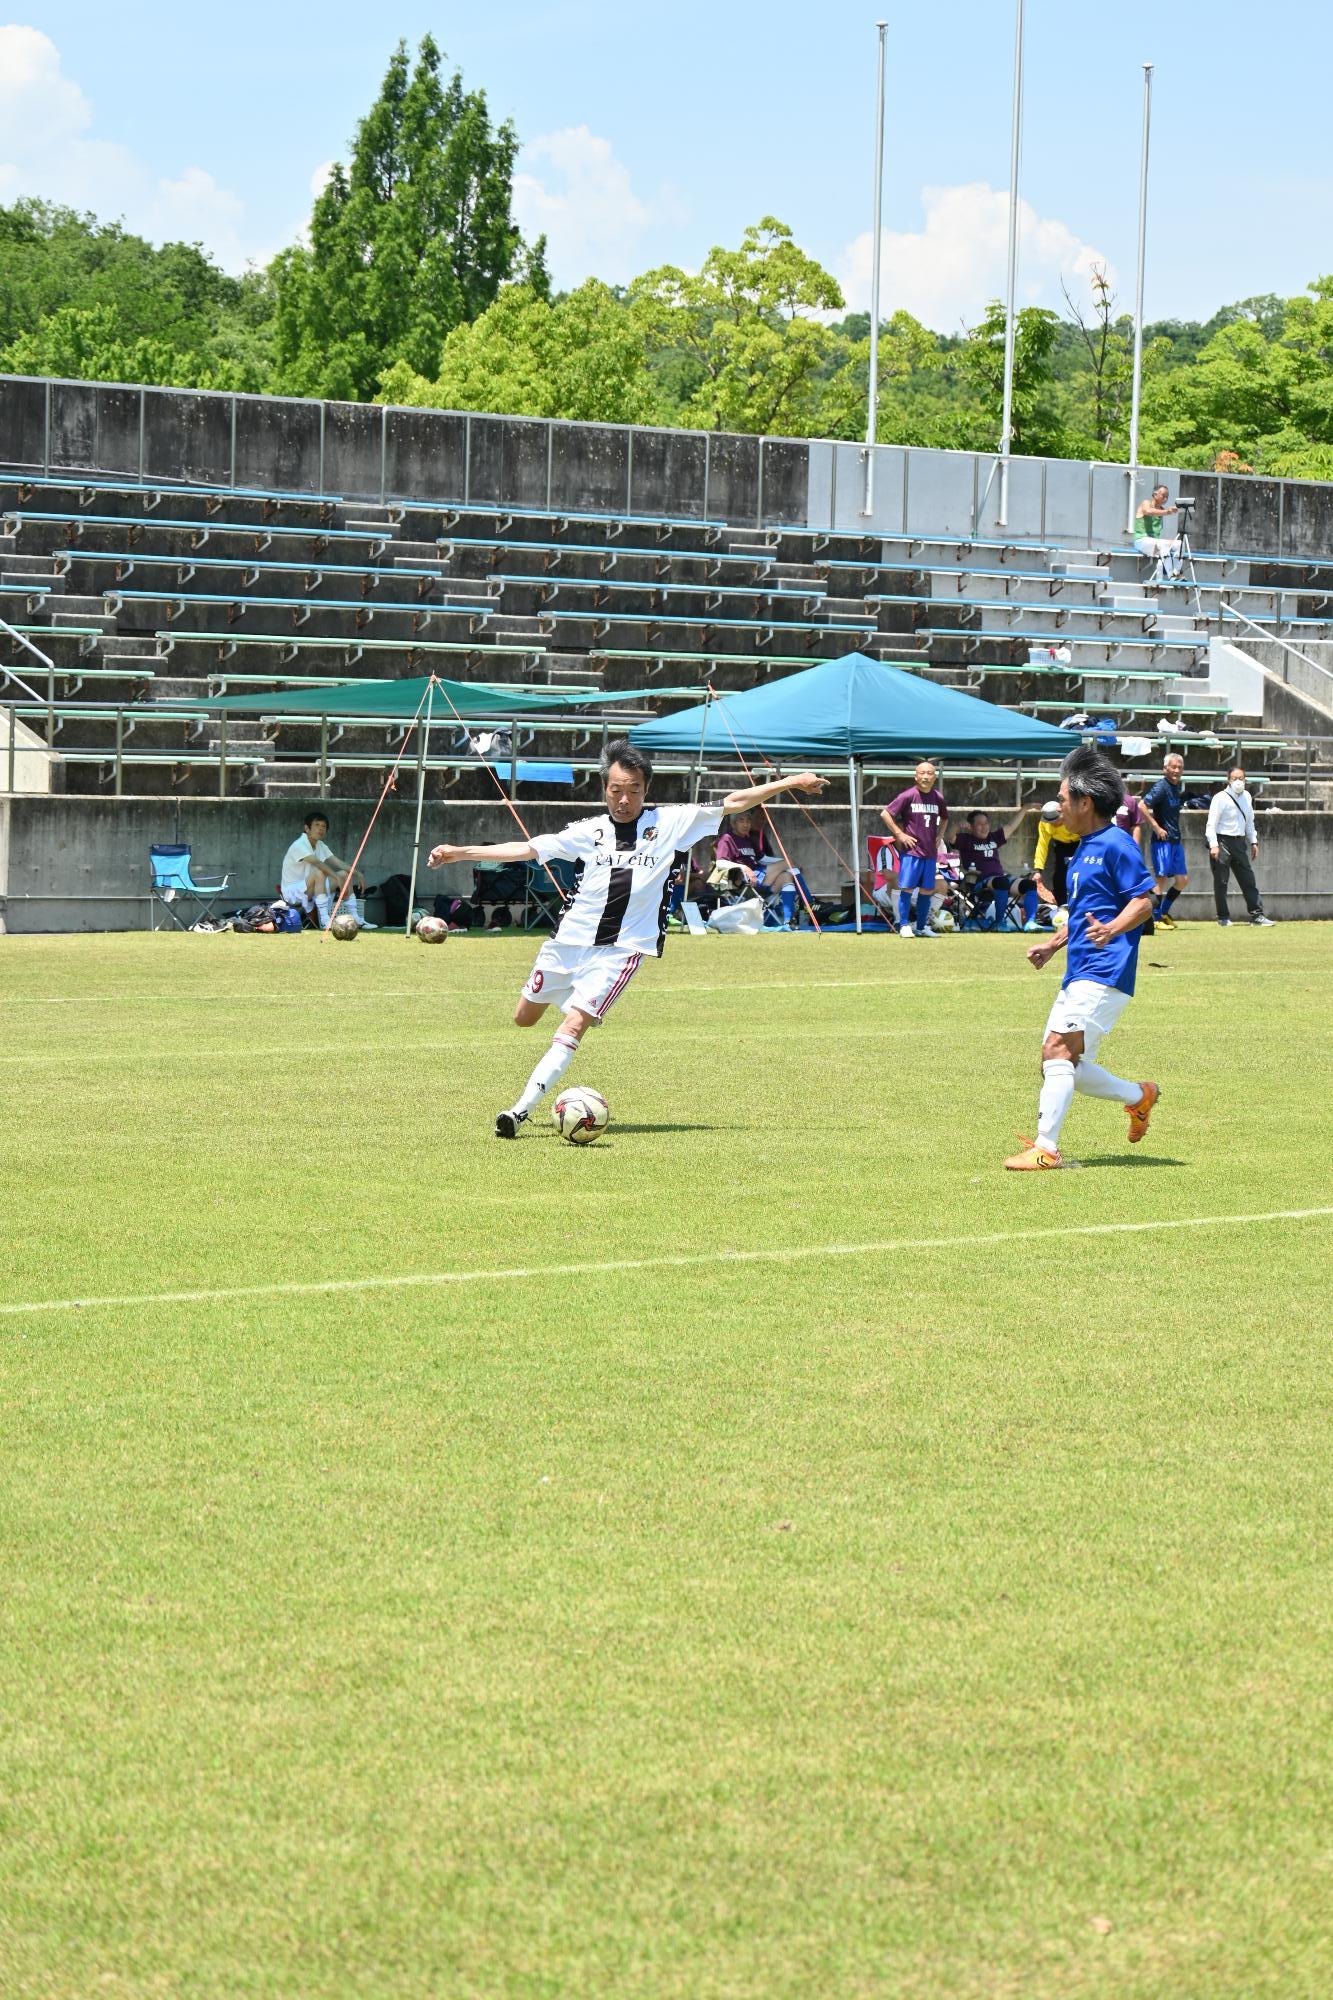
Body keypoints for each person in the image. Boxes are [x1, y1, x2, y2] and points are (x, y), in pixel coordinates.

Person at [427, 740, 828, 1137]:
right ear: (605, 789)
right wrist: (460, 852)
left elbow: (734, 802)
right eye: (616, 790)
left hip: (622, 949)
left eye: (633, 790)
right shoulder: (590, 831)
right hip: (568, 942)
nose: (624, 799)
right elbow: (527, 849)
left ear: (646, 789)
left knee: (573, 1025)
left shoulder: (670, 823)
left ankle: (518, 1111)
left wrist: (789, 781)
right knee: (523, 1018)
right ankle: (579, 998)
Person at [1005, 746, 1159, 1171]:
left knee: (1058, 1051)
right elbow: (1087, 910)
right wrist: (1054, 945)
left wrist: (1111, 930)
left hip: (1106, 972)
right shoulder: (1080, 851)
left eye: (1063, 797)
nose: (1057, 806)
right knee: (1057, 1059)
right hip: (1080, 970)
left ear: (1085, 803)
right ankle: (1139, 1096)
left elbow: (1143, 903)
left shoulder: (1115, 845)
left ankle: (1046, 1149)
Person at [881, 758, 949, 939]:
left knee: (927, 890)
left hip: (930, 853)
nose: (926, 776)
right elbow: (886, 813)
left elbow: (945, 818)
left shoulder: (938, 797)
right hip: (912, 852)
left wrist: (940, 835)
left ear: (935, 777)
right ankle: (903, 925)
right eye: (922, 773)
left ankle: (921, 927)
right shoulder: (908, 795)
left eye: (930, 773)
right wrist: (900, 834)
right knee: (907, 888)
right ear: (915, 776)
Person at [1206, 767, 1275, 927]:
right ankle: (1223, 917)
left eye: (1241, 778)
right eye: (1234, 778)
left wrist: (1253, 841)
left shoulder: (1247, 797)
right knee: (1221, 882)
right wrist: (1214, 845)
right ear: (1228, 780)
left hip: (1239, 842)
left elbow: (1249, 821)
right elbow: (1211, 824)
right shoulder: (1220, 798)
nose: (1238, 781)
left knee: (1248, 879)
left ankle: (1257, 915)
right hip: (1222, 841)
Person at [713, 806, 804, 928]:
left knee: (787, 875)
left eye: (748, 821)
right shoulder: (727, 838)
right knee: (788, 863)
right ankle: (808, 901)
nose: (746, 824)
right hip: (744, 882)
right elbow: (720, 862)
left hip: (760, 878)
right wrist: (744, 868)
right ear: (733, 824)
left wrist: (785, 860)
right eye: (741, 820)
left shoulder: (749, 839)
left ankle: (788, 921)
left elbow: (763, 859)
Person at [280, 809, 373, 928]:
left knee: (345, 874)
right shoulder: (299, 845)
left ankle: (356, 919)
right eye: (317, 825)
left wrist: (358, 873)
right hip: (292, 892)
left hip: (311, 887)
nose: (321, 828)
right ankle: (325, 920)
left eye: (323, 826)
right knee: (320, 871)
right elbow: (318, 864)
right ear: (307, 828)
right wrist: (336, 878)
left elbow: (338, 862)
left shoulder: (320, 845)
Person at [955, 808, 1027, 930]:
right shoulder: (966, 839)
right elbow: (949, 837)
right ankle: (999, 923)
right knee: (1001, 882)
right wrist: (957, 826)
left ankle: (1030, 922)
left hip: (999, 880)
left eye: (986, 823)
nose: (984, 827)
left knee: (1029, 885)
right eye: (979, 824)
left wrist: (1025, 809)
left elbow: (1010, 826)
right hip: (978, 882)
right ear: (971, 827)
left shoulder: (993, 837)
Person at [1143, 752, 1189, 927]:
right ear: (1165, 769)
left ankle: (1163, 911)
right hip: (1162, 841)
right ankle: (1154, 917)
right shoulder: (1161, 787)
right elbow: (1142, 805)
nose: (1176, 770)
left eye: (1179, 767)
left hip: (1175, 839)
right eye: (1173, 767)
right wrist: (1156, 827)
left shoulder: (1176, 787)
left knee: (1182, 879)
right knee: (1161, 878)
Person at [1029, 801, 1079, 929]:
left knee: (1079, 875)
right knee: (1059, 877)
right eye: (1051, 821)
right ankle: (1063, 908)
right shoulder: (1045, 823)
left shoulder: (1074, 816)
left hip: (1080, 842)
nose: (1054, 823)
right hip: (1061, 845)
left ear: (1062, 812)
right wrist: (1038, 870)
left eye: (1056, 820)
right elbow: (1042, 845)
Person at [1134, 484, 1183, 582]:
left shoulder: (1162, 510)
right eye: (1163, 495)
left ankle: (1177, 573)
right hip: (1141, 541)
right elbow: (1148, 511)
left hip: (1155, 543)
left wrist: (1176, 510)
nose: (1165, 498)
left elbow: (1163, 511)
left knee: (1179, 544)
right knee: (1162, 544)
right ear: (1155, 494)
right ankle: (1171, 577)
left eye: (1167, 496)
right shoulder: (1146, 503)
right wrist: (1167, 512)